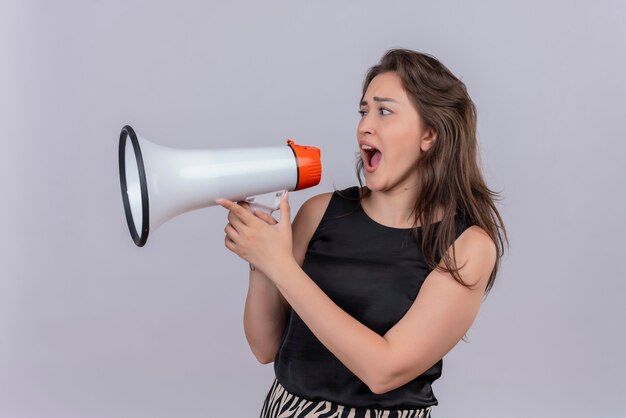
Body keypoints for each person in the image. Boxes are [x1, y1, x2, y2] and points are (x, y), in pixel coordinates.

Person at [216, 48, 508, 418]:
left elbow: (384, 371)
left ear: (429, 134)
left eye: (384, 111)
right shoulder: (319, 213)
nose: (364, 125)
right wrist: (261, 258)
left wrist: (280, 266)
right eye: (363, 111)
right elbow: (263, 346)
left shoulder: (467, 246)